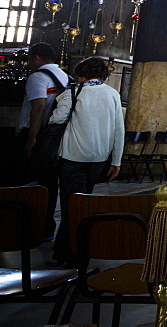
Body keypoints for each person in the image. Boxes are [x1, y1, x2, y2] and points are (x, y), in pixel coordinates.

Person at [49, 57, 124, 264]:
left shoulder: (74, 92)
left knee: (70, 205)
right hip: (99, 158)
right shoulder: (112, 94)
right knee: (83, 202)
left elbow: (56, 119)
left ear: (81, 74)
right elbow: (119, 128)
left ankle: (70, 253)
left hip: (73, 156)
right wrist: (116, 160)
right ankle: (71, 249)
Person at [18, 42, 70, 239]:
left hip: (37, 134)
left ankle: (26, 228)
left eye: (30, 59)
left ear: (37, 58)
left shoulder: (38, 76)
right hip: (54, 138)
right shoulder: (65, 77)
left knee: (27, 183)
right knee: (48, 184)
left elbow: (38, 106)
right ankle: (46, 228)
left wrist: (31, 136)